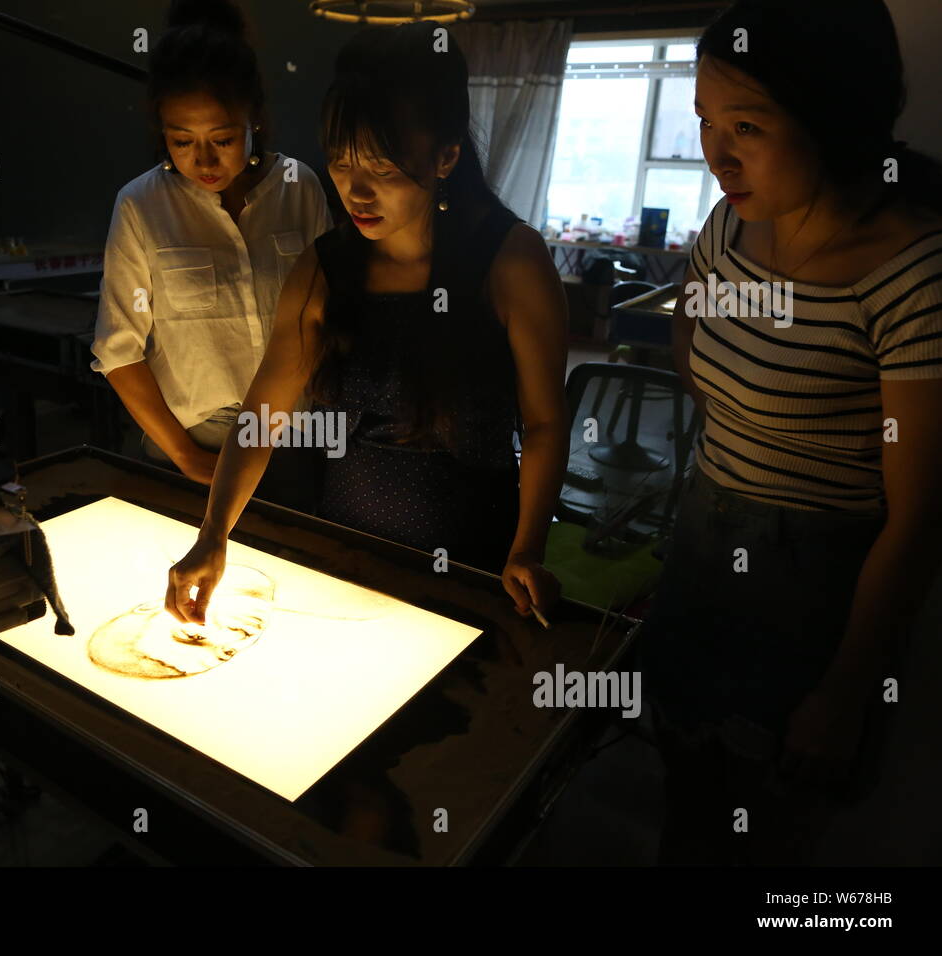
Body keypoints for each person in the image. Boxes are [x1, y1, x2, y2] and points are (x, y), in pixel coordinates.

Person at [641, 0, 942, 865]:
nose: (716, 154)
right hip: (706, 539)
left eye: (746, 125)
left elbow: (919, 520)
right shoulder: (731, 223)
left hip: (815, 589)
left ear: (833, 116)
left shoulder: (911, 274)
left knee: (766, 833)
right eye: (703, 122)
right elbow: (689, 331)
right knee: (687, 801)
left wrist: (845, 689)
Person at [165, 22, 569, 630]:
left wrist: (527, 550)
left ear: (445, 156)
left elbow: (543, 424)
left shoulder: (509, 260)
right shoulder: (326, 267)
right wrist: (214, 533)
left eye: (381, 167)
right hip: (349, 549)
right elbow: (263, 415)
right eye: (342, 161)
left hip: (473, 561)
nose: (355, 191)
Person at [91, 0, 332, 491]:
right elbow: (118, 352)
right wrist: (189, 459)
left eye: (222, 139)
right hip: (192, 438)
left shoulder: (297, 187)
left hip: (293, 432)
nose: (203, 159)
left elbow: (329, 312)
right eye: (181, 141)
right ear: (163, 131)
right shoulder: (141, 205)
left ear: (255, 119)